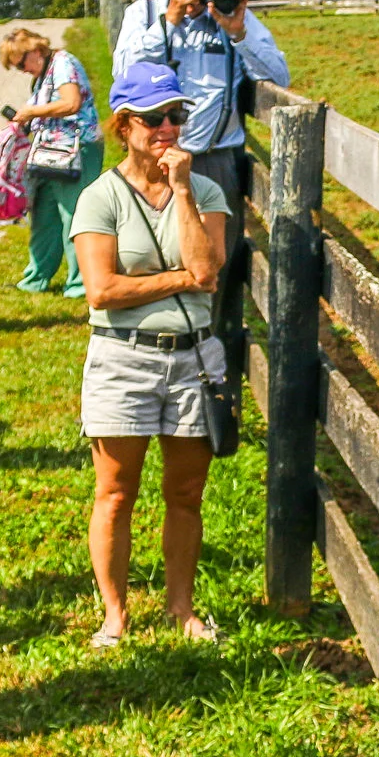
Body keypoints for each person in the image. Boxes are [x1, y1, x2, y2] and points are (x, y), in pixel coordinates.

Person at [69, 61, 230, 648]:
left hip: (194, 358)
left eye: (176, 116)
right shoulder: (100, 196)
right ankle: (114, 613)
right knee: (115, 492)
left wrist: (183, 188)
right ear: (124, 124)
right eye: (155, 118)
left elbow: (208, 272)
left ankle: (180, 608)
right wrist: (178, 279)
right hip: (123, 358)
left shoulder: (203, 190)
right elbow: (102, 291)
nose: (168, 127)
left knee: (187, 493)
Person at [110, 0, 287, 229]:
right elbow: (124, 74)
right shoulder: (144, 14)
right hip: (156, 156)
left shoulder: (229, 17)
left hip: (214, 159)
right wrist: (170, 20)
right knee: (158, 247)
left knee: (218, 255)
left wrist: (238, 33)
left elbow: (279, 76)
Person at [0, 26, 99, 296]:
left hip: (76, 150)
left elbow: (71, 102)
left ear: (35, 50)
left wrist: (31, 111)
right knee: (44, 215)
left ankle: (79, 283)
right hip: (51, 152)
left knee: (72, 215)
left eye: (21, 63)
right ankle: (36, 277)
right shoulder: (46, 73)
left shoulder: (63, 63)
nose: (21, 70)